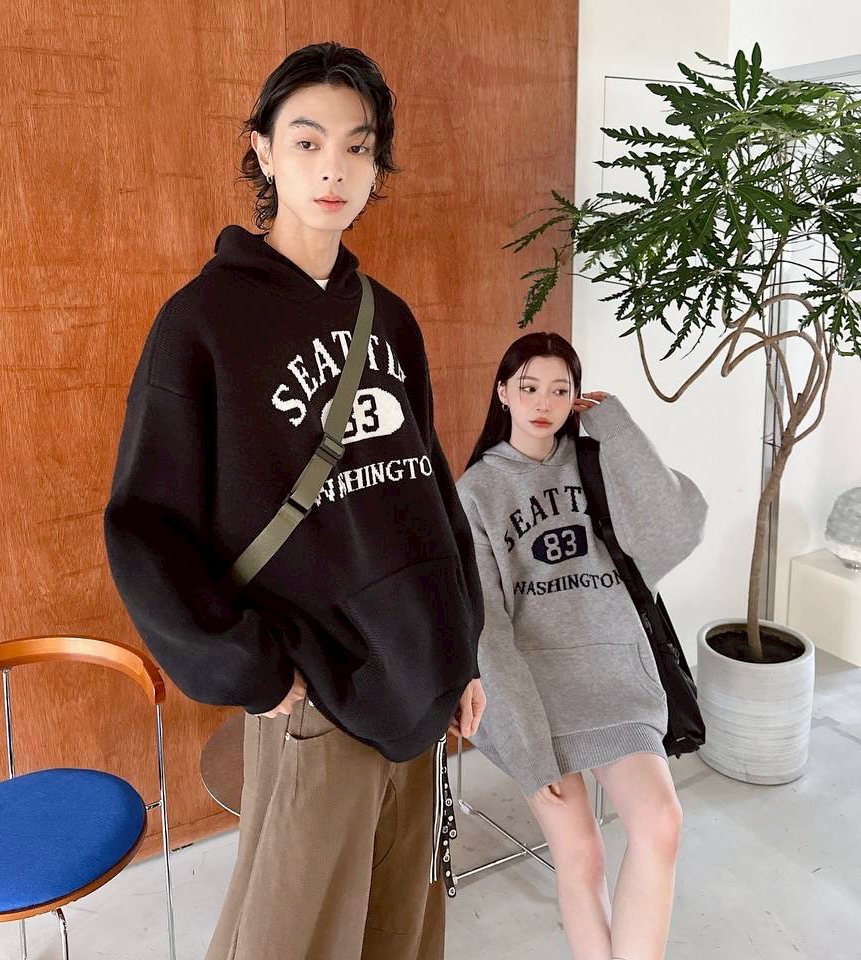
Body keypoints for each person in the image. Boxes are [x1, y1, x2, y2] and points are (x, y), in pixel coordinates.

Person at [103, 41, 485, 960]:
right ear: (264, 151)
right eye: (308, 142)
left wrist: (462, 647)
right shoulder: (201, 323)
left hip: (420, 682)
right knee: (290, 938)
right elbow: (144, 527)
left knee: (402, 928)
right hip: (313, 693)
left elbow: (427, 489)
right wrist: (255, 670)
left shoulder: (388, 317)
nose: (333, 170)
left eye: (358, 147)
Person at [456, 331, 707, 960]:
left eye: (559, 389)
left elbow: (675, 530)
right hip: (536, 697)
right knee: (581, 852)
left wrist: (616, 428)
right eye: (529, 387)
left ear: (576, 397)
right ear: (503, 392)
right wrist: (528, 747)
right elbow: (487, 628)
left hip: (617, 676)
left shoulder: (595, 463)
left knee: (661, 825)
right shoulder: (477, 492)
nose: (543, 403)